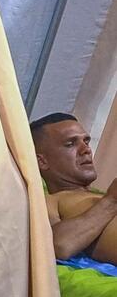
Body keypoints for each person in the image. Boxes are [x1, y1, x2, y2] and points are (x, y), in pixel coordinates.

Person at [32, 112, 117, 265]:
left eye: (86, 141)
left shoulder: (100, 195)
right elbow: (58, 245)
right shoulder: (50, 201)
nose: (86, 150)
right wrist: (111, 201)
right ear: (42, 161)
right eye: (70, 144)